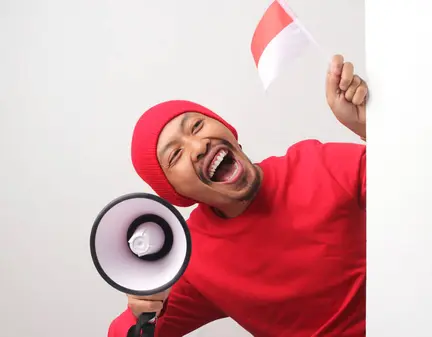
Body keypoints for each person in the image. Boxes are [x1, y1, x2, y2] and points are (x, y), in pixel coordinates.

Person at [108, 54, 368, 337]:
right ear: (177, 192)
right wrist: (141, 312)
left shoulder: (317, 162)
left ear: (229, 131)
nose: (198, 146)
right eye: (176, 154)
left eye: (196, 126)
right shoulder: (191, 258)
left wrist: (368, 128)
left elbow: (414, 187)